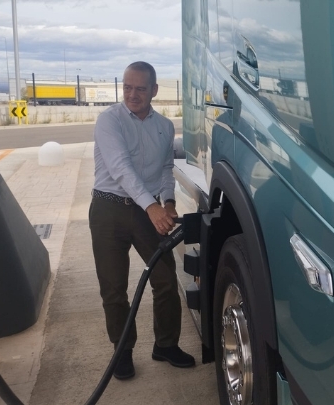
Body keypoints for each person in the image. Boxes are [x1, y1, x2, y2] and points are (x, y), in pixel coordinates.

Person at [88, 61, 194, 380]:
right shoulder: (110, 120)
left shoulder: (164, 127)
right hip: (108, 209)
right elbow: (121, 168)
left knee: (165, 279)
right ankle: (122, 352)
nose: (132, 95)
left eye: (140, 88)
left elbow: (165, 170)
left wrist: (169, 202)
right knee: (114, 287)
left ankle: (165, 345)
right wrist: (152, 207)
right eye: (127, 87)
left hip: (146, 209)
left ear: (154, 90)